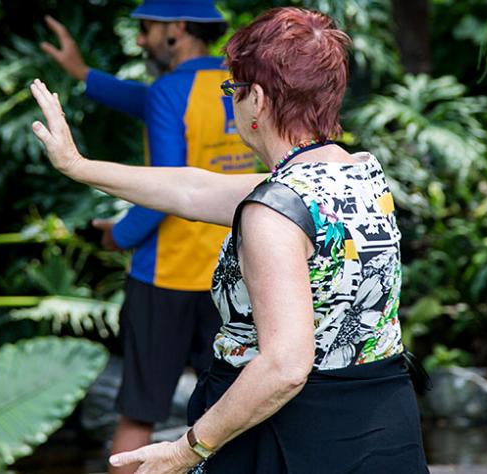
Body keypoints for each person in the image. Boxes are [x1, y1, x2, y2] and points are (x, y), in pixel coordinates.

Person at [30, 6, 429, 473]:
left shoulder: (273, 213)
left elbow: (284, 365)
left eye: (232, 89)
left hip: (293, 439)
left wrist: (186, 450)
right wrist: (78, 166)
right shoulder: (358, 171)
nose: (232, 101)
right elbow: (192, 189)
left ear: (256, 99)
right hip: (379, 425)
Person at [40, 2, 258, 472]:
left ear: (176, 29)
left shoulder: (169, 91)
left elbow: (166, 189)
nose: (140, 40)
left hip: (167, 277)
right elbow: (140, 99)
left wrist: (117, 236)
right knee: (235, 410)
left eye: (145, 29)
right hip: (233, 274)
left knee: (139, 410)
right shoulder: (243, 87)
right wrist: (82, 72)